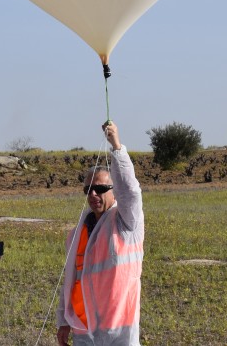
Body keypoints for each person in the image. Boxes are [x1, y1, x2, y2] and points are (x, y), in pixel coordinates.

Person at [56, 122, 144, 346]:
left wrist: (116, 147)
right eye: (88, 190)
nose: (93, 194)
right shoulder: (76, 234)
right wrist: (63, 321)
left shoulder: (126, 222)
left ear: (114, 191)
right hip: (84, 329)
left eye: (101, 189)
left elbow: (130, 192)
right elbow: (70, 281)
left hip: (119, 331)